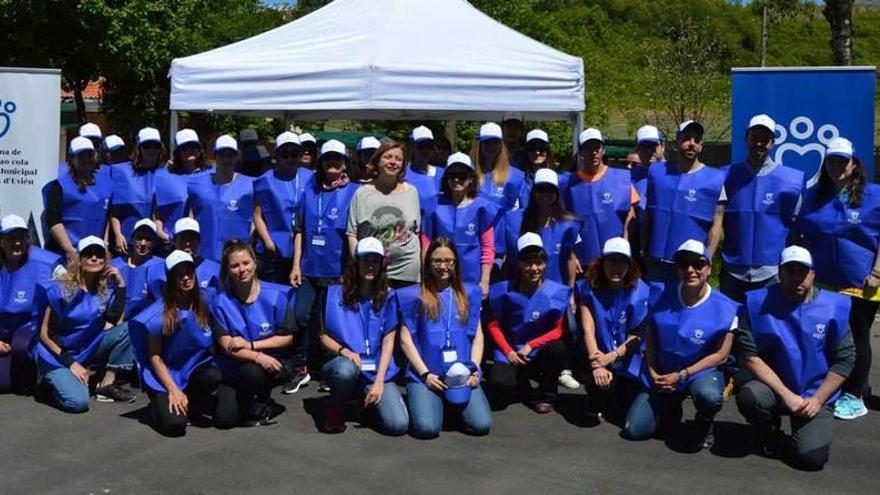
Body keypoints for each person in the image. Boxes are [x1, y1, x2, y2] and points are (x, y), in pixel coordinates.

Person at [735, 246, 854, 471]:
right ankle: (770, 430)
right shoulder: (757, 302)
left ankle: (804, 433)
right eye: (790, 271)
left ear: (813, 273)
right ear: (780, 273)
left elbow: (845, 360)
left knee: (811, 459)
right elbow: (749, 356)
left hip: (815, 393)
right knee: (750, 396)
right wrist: (787, 396)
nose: (796, 278)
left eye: (802, 271)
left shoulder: (833, 307)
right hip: (775, 388)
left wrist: (818, 400)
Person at [621, 239, 737, 449]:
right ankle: (670, 406)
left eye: (698, 264)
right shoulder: (659, 295)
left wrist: (683, 374)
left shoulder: (727, 308)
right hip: (663, 371)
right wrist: (654, 372)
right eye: (684, 264)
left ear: (709, 269)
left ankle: (704, 421)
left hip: (699, 373)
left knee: (709, 396)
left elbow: (721, 355)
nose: (690, 269)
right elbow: (651, 337)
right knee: (634, 430)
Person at [797, 137, 880, 420]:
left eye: (842, 161)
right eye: (831, 160)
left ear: (854, 163)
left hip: (860, 282)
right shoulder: (814, 196)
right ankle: (835, 386)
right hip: (824, 281)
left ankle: (854, 396)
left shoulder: (874, 195)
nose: (836, 166)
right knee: (830, 337)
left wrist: (877, 272)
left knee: (857, 338)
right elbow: (804, 236)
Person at [397, 237, 491, 438]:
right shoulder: (415, 296)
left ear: (456, 263)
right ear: (428, 263)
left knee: (481, 425)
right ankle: (433, 403)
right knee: (427, 429)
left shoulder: (469, 294)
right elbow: (405, 339)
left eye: (449, 261)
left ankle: (452, 408)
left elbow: (478, 335)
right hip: (427, 375)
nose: (443, 266)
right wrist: (425, 374)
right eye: (437, 261)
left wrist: (475, 369)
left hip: (462, 375)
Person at [34, 236, 136, 412]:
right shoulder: (60, 289)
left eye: (99, 255)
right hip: (56, 354)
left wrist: (121, 286)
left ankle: (106, 385)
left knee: (130, 329)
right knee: (79, 403)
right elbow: (45, 334)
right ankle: (50, 384)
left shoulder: (104, 289)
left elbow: (113, 321)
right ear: (80, 259)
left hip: (86, 348)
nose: (94, 258)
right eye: (89, 254)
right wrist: (72, 364)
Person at [129, 250, 224, 436]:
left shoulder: (205, 302)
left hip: (192, 369)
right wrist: (173, 389)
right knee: (175, 426)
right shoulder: (159, 315)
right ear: (170, 279)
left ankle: (192, 401)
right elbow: (155, 357)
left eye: (189, 272)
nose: (186, 278)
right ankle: (156, 408)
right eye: (179, 275)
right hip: (164, 375)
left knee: (214, 376)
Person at [290, 140, 361, 390]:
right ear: (320, 162)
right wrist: (296, 265)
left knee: (332, 324)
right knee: (299, 316)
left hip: (338, 272)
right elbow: (299, 229)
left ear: (344, 164)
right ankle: (300, 367)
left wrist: (352, 271)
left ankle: (331, 371)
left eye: (337, 159)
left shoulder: (354, 192)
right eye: (327, 158)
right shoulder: (310, 190)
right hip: (309, 269)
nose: (332, 163)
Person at [321, 237, 408, 435]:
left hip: (377, 368)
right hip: (347, 363)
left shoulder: (389, 296)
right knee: (344, 371)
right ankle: (337, 407)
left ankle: (363, 403)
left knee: (398, 425)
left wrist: (379, 383)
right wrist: (345, 352)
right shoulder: (336, 294)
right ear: (356, 262)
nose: (370, 266)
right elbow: (324, 337)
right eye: (365, 260)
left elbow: (388, 342)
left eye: (375, 261)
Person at [210, 240, 297, 426]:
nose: (241, 269)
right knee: (225, 420)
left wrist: (252, 347)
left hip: (269, 363)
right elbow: (228, 347)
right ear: (227, 270)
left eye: (246, 263)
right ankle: (245, 402)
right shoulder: (219, 303)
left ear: (255, 263)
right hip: (233, 367)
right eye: (234, 265)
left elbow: (287, 338)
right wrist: (257, 356)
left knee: (253, 372)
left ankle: (262, 399)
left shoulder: (276, 295)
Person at [721, 114, 804, 303]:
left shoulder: (791, 181)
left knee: (767, 329)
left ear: (772, 143)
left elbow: (797, 227)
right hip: (732, 270)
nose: (759, 143)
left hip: (772, 272)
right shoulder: (725, 176)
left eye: (764, 138)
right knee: (731, 328)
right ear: (746, 139)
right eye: (754, 137)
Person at [486, 233, 571, 413]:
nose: (533, 268)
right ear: (519, 263)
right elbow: (493, 325)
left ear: (545, 263)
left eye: (538, 263)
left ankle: (545, 395)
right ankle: (520, 384)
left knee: (559, 350)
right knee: (500, 384)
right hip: (509, 350)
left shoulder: (556, 293)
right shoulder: (504, 291)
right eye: (528, 262)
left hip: (536, 350)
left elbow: (558, 330)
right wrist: (509, 351)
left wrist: (531, 346)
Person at [641, 121, 726, 282]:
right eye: (687, 138)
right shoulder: (657, 173)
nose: (691, 144)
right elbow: (648, 215)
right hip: (656, 262)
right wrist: (644, 249)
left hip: (690, 265)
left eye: (697, 140)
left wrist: (708, 257)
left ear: (701, 146)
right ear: (677, 141)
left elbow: (716, 227)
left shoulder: (715, 179)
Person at [576, 237, 648, 420]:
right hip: (599, 352)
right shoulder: (589, 287)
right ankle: (597, 393)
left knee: (624, 411)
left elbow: (637, 335)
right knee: (596, 379)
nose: (616, 268)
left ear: (629, 265)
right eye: (611, 261)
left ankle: (616, 392)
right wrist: (597, 363)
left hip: (628, 356)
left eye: (622, 262)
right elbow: (588, 328)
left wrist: (613, 356)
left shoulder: (640, 292)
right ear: (602, 263)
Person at [0, 215, 63, 393]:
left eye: (21, 237)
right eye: (11, 238)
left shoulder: (48, 262)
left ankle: (33, 373)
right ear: (1, 241)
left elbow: (68, 290)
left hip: (30, 324)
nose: (17, 243)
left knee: (21, 346)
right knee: (3, 385)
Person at [346, 140, 421, 288]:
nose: (393, 162)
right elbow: (352, 234)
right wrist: (358, 264)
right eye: (388, 157)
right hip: (372, 270)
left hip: (407, 270)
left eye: (398, 159)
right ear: (378, 160)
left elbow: (415, 231)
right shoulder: (362, 193)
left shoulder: (412, 192)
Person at [421, 152, 497, 296]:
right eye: (452, 175)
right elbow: (426, 241)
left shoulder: (482, 208)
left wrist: (485, 281)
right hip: (438, 277)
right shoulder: (433, 205)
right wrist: (425, 275)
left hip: (470, 277)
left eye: (462, 175)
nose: (456, 179)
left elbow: (487, 247)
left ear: (470, 179)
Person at [565, 128, 638, 268]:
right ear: (580, 152)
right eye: (588, 148)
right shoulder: (568, 184)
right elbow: (564, 223)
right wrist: (572, 254)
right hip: (584, 262)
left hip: (616, 260)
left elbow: (631, 216)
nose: (593, 152)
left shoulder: (622, 179)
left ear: (603, 150)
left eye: (597, 147)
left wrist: (625, 245)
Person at [253, 131, 313, 284]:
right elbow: (257, 215)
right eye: (285, 154)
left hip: (303, 248)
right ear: (277, 155)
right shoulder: (265, 180)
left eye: (295, 153)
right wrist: (268, 242)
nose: (290, 158)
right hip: (274, 249)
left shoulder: (310, 177)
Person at [506, 168, 581, 286]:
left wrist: (570, 292)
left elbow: (570, 259)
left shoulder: (568, 224)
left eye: (550, 190)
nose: (545, 194)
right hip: (522, 291)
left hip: (556, 292)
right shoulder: (514, 220)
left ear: (557, 193)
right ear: (533, 192)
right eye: (541, 189)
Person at [186, 135, 255, 262]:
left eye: (230, 154)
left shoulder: (251, 186)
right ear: (215, 156)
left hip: (237, 258)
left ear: (236, 157)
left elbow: (255, 221)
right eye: (222, 154)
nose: (226, 159)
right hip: (203, 255)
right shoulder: (196, 184)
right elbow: (191, 217)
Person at [43, 136, 112, 262]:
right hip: (68, 254)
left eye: (89, 155)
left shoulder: (106, 182)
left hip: (95, 253)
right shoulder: (59, 185)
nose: (86, 159)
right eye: (81, 156)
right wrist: (69, 250)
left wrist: (105, 245)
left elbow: (107, 217)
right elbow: (53, 221)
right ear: (72, 159)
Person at [471, 122, 525, 272]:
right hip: (470, 245)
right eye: (486, 142)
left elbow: (523, 213)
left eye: (495, 142)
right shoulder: (468, 173)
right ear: (479, 144)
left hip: (499, 249)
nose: (490, 146)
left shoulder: (515, 177)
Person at [109, 127, 164, 255]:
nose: (151, 150)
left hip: (156, 244)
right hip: (126, 243)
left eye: (155, 146)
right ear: (138, 148)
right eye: (146, 146)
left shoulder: (166, 173)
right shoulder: (121, 172)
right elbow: (114, 211)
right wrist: (117, 235)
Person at [146, 218, 221, 303]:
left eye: (192, 239)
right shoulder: (156, 271)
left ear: (199, 241)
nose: (187, 243)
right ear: (173, 241)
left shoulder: (215, 270)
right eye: (183, 238)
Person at [155, 129, 208, 248]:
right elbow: (158, 210)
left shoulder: (211, 175)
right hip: (173, 241)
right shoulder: (165, 177)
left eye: (194, 146)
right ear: (178, 152)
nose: (190, 150)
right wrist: (160, 231)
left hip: (203, 242)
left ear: (200, 150)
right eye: (185, 148)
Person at [110, 219, 163, 321]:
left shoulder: (161, 266)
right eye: (139, 238)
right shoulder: (115, 265)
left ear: (154, 243)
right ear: (132, 239)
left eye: (148, 239)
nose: (143, 243)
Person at [629, 125, 665, 256]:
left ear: (662, 146)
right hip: (637, 245)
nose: (649, 151)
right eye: (644, 146)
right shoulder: (630, 177)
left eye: (653, 146)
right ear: (637, 149)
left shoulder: (674, 175)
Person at [516, 129, 567, 209]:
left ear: (547, 151)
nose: (537, 152)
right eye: (532, 148)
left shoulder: (559, 180)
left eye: (541, 147)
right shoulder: (519, 180)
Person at [405, 125, 441, 216]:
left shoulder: (443, 174)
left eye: (429, 146)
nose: (426, 150)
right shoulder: (404, 174)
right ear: (412, 147)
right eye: (421, 146)